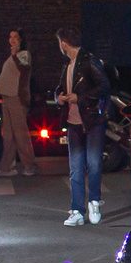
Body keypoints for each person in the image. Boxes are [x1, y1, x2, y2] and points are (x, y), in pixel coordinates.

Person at [57, 26, 109, 225]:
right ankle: (77, 211)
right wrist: (59, 97)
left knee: (94, 163)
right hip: (73, 122)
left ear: (64, 43)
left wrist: (80, 97)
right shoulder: (67, 65)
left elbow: (104, 86)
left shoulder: (89, 61)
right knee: (76, 168)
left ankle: (94, 202)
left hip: (93, 120)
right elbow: (60, 88)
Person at [0, 29, 35, 176]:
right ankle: (6, 167)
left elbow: (24, 69)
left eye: (15, 37)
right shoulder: (13, 56)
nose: (12, 40)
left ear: (21, 40)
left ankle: (29, 165)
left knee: (20, 133)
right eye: (10, 37)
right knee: (8, 135)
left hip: (16, 97)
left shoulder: (24, 55)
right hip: (7, 97)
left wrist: (14, 56)